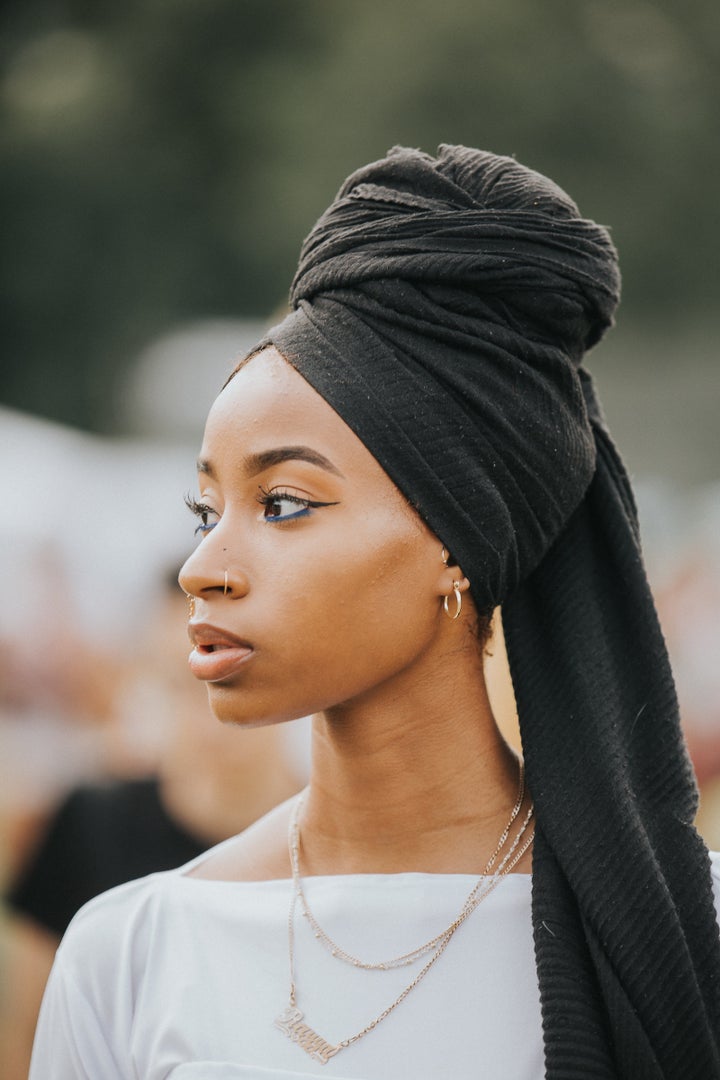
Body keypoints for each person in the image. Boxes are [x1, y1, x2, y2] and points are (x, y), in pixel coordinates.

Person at [29, 145, 720, 1079]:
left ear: (456, 542)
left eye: (283, 504)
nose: (203, 568)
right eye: (206, 511)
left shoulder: (684, 939)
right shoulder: (134, 950)